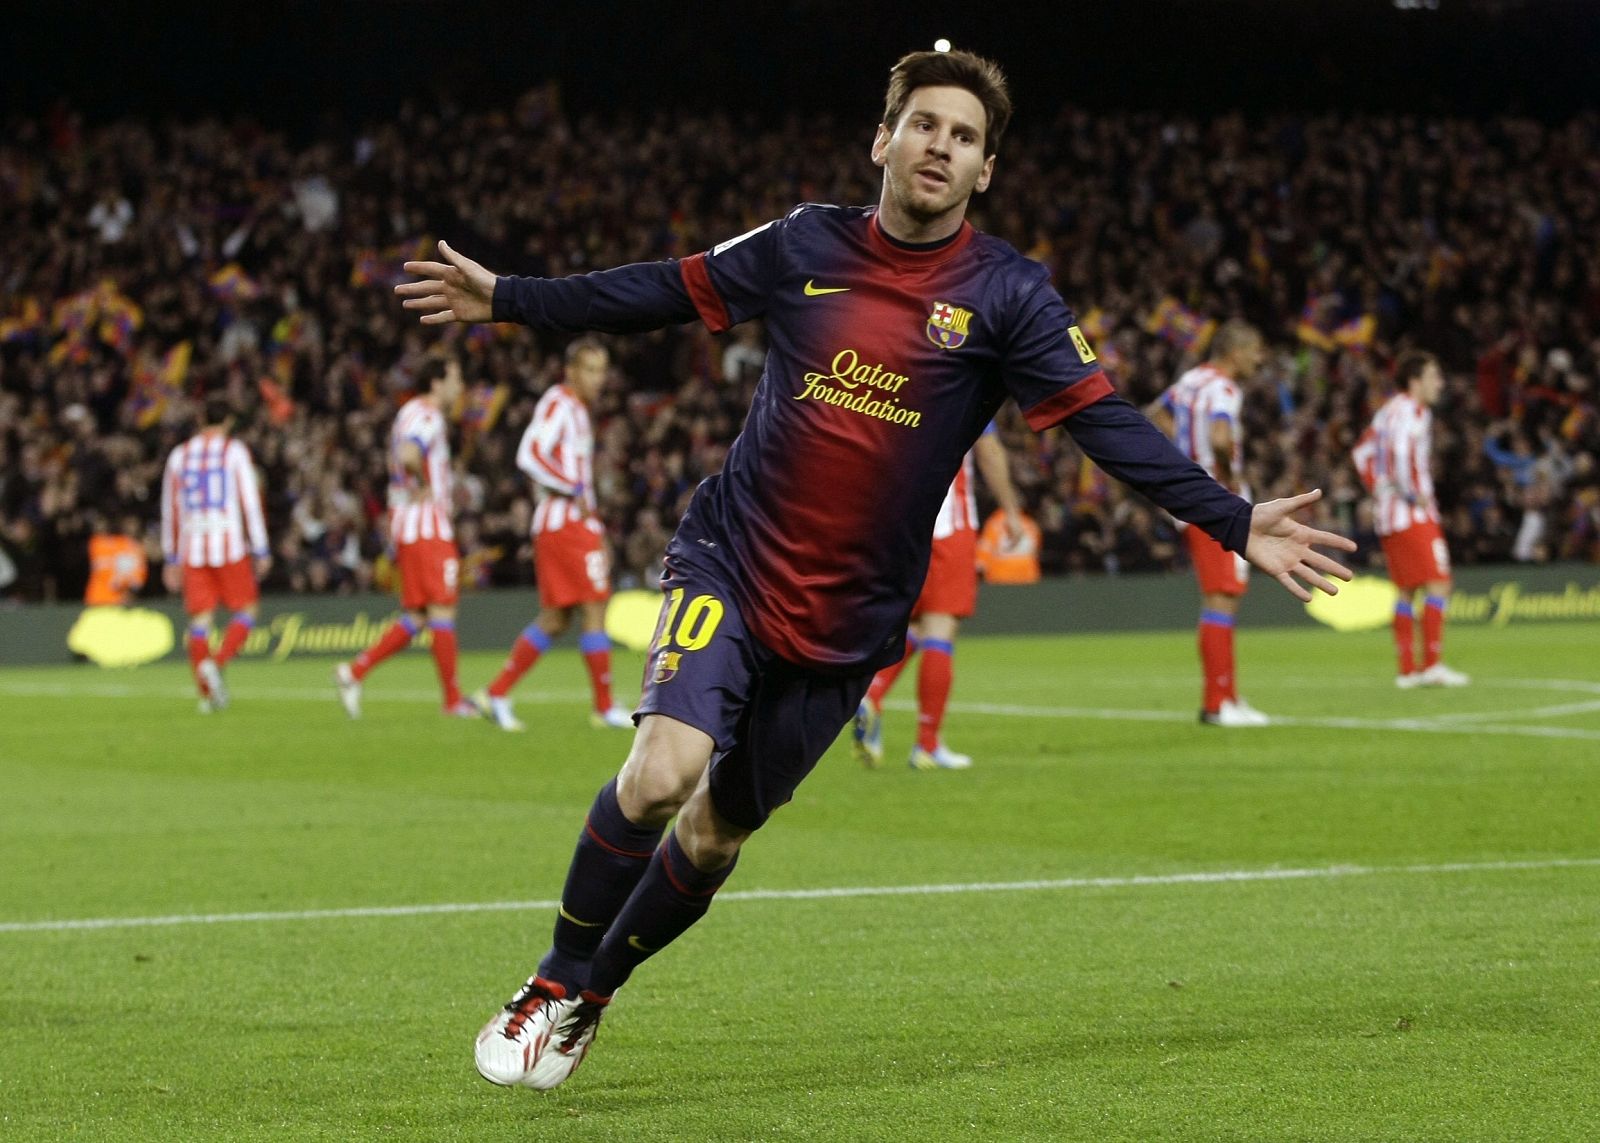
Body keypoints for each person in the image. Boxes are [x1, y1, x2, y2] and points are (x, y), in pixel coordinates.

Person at [395, 48, 1354, 1091]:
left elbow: (1104, 422)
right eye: (925, 125)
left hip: (848, 621)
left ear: (985, 169)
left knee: (717, 833)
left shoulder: (1008, 295)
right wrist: (513, 299)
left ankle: (590, 998)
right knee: (662, 771)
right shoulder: (806, 240)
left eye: (965, 136)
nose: (941, 146)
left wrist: (1228, 519)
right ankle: (550, 979)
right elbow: (665, 291)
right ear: (883, 140)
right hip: (733, 560)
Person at [475, 338, 632, 732]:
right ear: (571, 371)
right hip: (564, 523)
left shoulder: (577, 410)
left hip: (570, 524)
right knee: (594, 607)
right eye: (591, 370)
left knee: (557, 619)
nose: (599, 379)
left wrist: (596, 525)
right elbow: (530, 455)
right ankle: (604, 706)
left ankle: (495, 693)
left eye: (602, 370)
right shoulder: (559, 403)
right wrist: (573, 489)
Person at [852, 423, 1024, 770]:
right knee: (942, 626)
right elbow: (988, 451)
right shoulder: (967, 379)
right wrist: (1012, 511)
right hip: (947, 522)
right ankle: (927, 744)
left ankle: (873, 693)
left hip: (900, 523)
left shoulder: (899, 383)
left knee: (917, 623)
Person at [335, 357, 478, 717]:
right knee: (442, 608)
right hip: (425, 524)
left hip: (410, 524)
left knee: (418, 615)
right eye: (455, 378)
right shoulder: (427, 415)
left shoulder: (409, 412)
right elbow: (408, 453)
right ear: (436, 381)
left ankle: (354, 672)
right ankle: (453, 701)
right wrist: (427, 484)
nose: (459, 387)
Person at [1147, 320, 1272, 727]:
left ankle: (1229, 696)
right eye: (1255, 350)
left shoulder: (1190, 381)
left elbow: (1153, 415)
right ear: (1235, 352)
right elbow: (1220, 437)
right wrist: (1225, 478)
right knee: (1220, 596)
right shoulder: (1224, 388)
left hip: (1189, 496)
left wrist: (1179, 455)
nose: (1260, 358)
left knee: (1226, 595)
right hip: (1215, 501)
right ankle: (1217, 703)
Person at [1353, 350, 1470, 687]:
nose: (1440, 383)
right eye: (1434, 376)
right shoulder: (1414, 412)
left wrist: (1379, 488)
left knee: (1405, 590)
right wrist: (1408, 491)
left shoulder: (1386, 411)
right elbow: (1403, 453)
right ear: (1415, 381)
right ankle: (1432, 664)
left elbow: (1361, 452)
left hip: (1389, 515)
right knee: (1439, 583)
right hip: (1412, 512)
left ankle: (1407, 670)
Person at [159, 393, 271, 712]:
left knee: (200, 621)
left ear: (199, 420)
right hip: (229, 543)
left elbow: (170, 509)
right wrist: (260, 547)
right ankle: (218, 664)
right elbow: (249, 501)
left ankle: (208, 696)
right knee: (247, 610)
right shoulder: (234, 451)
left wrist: (170, 557)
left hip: (192, 547)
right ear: (228, 422)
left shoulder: (179, 456)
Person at [84, 510, 148, 607]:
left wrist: (124, 583)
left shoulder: (135, 547)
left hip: (122, 604)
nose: (131, 527)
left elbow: (138, 579)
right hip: (97, 601)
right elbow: (102, 569)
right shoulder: (97, 543)